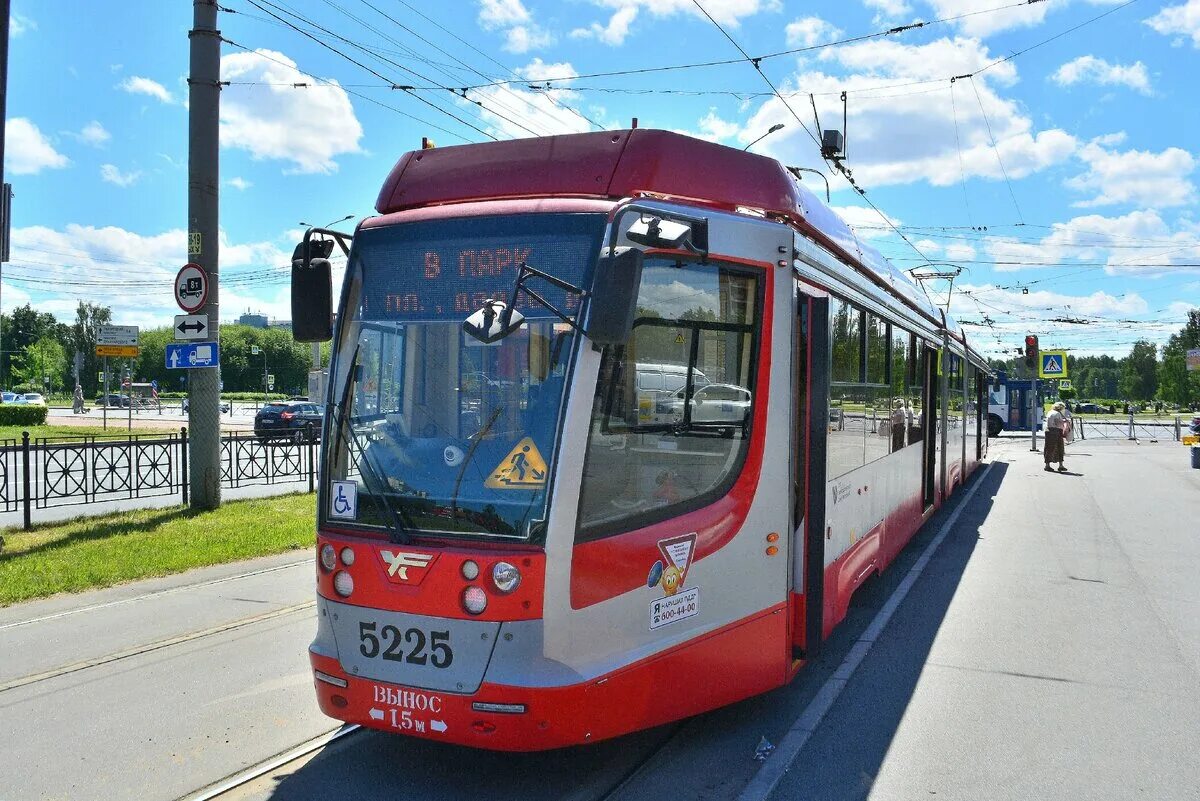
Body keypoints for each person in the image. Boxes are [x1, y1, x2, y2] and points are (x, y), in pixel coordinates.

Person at [1044, 401, 1068, 473]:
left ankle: (1047, 465)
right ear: (1060, 407)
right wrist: (1064, 422)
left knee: (1049, 448)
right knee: (1060, 447)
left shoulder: (1050, 412)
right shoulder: (1057, 413)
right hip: (1056, 431)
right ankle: (1060, 465)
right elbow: (1058, 424)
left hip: (1048, 431)